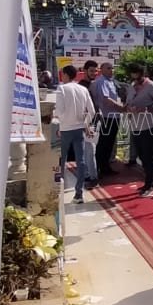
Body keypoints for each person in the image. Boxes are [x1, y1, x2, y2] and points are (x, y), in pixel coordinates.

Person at [55, 65, 96, 204]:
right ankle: (79, 193)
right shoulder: (83, 89)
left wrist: (62, 122)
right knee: (81, 160)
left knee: (61, 160)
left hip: (65, 128)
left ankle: (58, 191)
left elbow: (59, 110)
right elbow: (92, 111)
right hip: (79, 128)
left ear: (66, 75)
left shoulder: (62, 89)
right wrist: (85, 123)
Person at [124, 62, 153, 196]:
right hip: (135, 125)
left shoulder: (151, 86)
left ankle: (148, 184)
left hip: (148, 125)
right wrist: (128, 107)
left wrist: (147, 109)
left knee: (148, 155)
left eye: (136, 74)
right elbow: (128, 101)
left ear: (142, 74)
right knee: (141, 155)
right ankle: (151, 180)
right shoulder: (131, 86)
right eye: (132, 74)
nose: (134, 76)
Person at [91, 61, 125, 176]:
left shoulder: (110, 81)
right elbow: (106, 99)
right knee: (104, 143)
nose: (111, 70)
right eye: (108, 68)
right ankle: (99, 168)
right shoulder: (102, 81)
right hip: (108, 117)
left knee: (109, 143)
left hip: (114, 116)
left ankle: (105, 167)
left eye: (112, 68)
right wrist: (120, 108)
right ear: (102, 70)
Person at [79, 61, 99, 187]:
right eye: (91, 71)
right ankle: (92, 177)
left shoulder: (94, 85)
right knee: (89, 150)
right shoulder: (82, 87)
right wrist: (86, 125)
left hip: (96, 120)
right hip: (88, 122)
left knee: (89, 150)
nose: (94, 73)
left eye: (95, 71)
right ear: (85, 71)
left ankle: (89, 175)